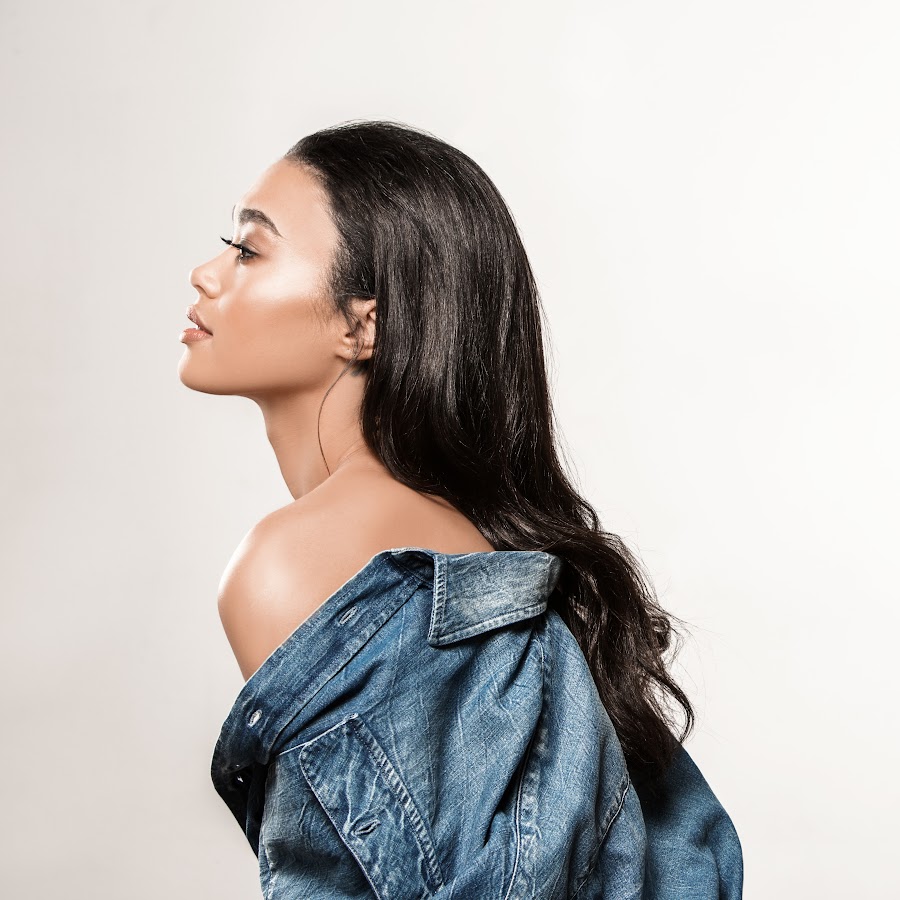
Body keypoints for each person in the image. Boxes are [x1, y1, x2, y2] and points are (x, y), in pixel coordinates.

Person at [179, 120, 743, 899]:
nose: (206, 274)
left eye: (248, 250)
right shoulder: (478, 551)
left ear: (363, 324)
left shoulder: (291, 563)